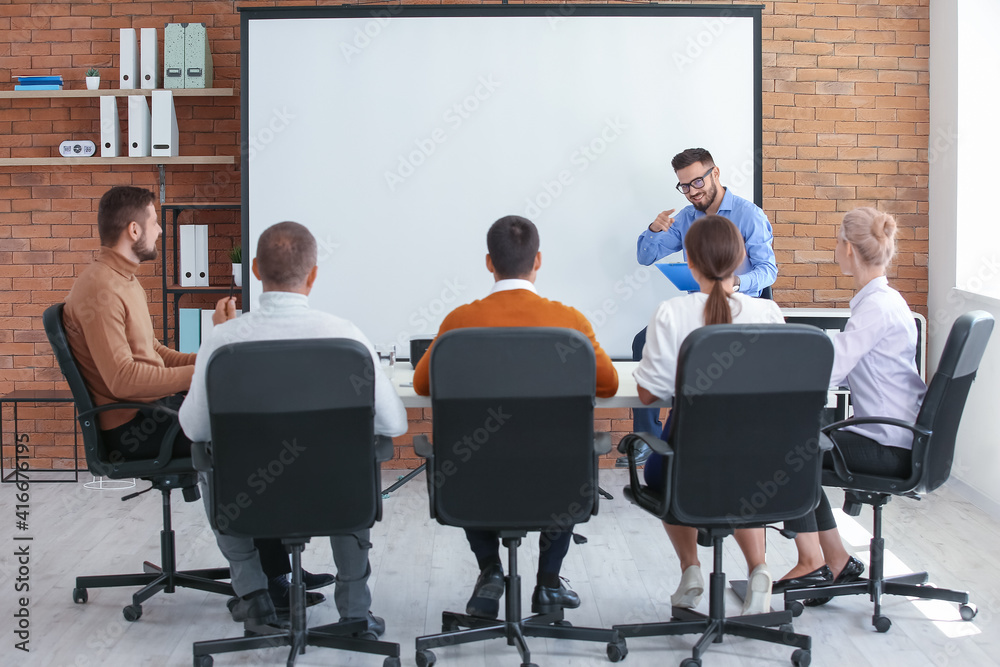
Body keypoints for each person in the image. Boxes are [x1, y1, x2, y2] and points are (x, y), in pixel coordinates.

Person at [62, 187, 334, 625]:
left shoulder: (123, 280)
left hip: (155, 410)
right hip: (135, 426)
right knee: (246, 445)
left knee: (258, 431)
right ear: (133, 229)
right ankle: (263, 586)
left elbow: (154, 353)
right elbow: (123, 380)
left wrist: (216, 347)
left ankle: (277, 573)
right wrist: (212, 362)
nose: (159, 230)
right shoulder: (101, 289)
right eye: (154, 222)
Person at [179, 220, 408, 634]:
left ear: (254, 269)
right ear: (313, 274)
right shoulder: (346, 337)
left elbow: (195, 430)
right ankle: (355, 611)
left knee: (207, 463)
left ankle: (254, 599)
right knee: (357, 462)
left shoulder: (222, 341)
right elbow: (393, 423)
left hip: (252, 498)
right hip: (335, 498)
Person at [413, 215, 618, 620]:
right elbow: (609, 385)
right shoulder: (570, 323)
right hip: (555, 480)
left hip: (475, 481)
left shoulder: (459, 323)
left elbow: (422, 385)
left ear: (489, 262)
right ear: (537, 260)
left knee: (473, 454)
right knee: (562, 456)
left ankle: (490, 570)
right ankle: (548, 583)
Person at [632, 215, 784, 615]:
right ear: (739, 262)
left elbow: (648, 394)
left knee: (667, 469)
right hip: (760, 468)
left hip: (688, 469)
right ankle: (759, 569)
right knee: (741, 468)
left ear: (690, 264)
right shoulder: (769, 314)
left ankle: (691, 572)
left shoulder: (671, 312)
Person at [772, 207, 921, 604]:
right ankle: (835, 561)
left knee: (791, 451)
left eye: (838, 241)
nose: (835, 248)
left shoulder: (875, 309)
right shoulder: (886, 300)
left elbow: (830, 372)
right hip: (898, 434)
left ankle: (812, 560)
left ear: (849, 249)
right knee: (805, 445)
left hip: (888, 443)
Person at [622, 147, 778, 467]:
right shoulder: (685, 218)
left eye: (697, 183)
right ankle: (649, 440)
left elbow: (767, 272)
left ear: (715, 173)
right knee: (643, 341)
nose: (692, 192)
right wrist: (654, 230)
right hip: (699, 303)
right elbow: (645, 256)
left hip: (740, 306)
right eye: (684, 186)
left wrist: (733, 283)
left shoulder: (749, 215)